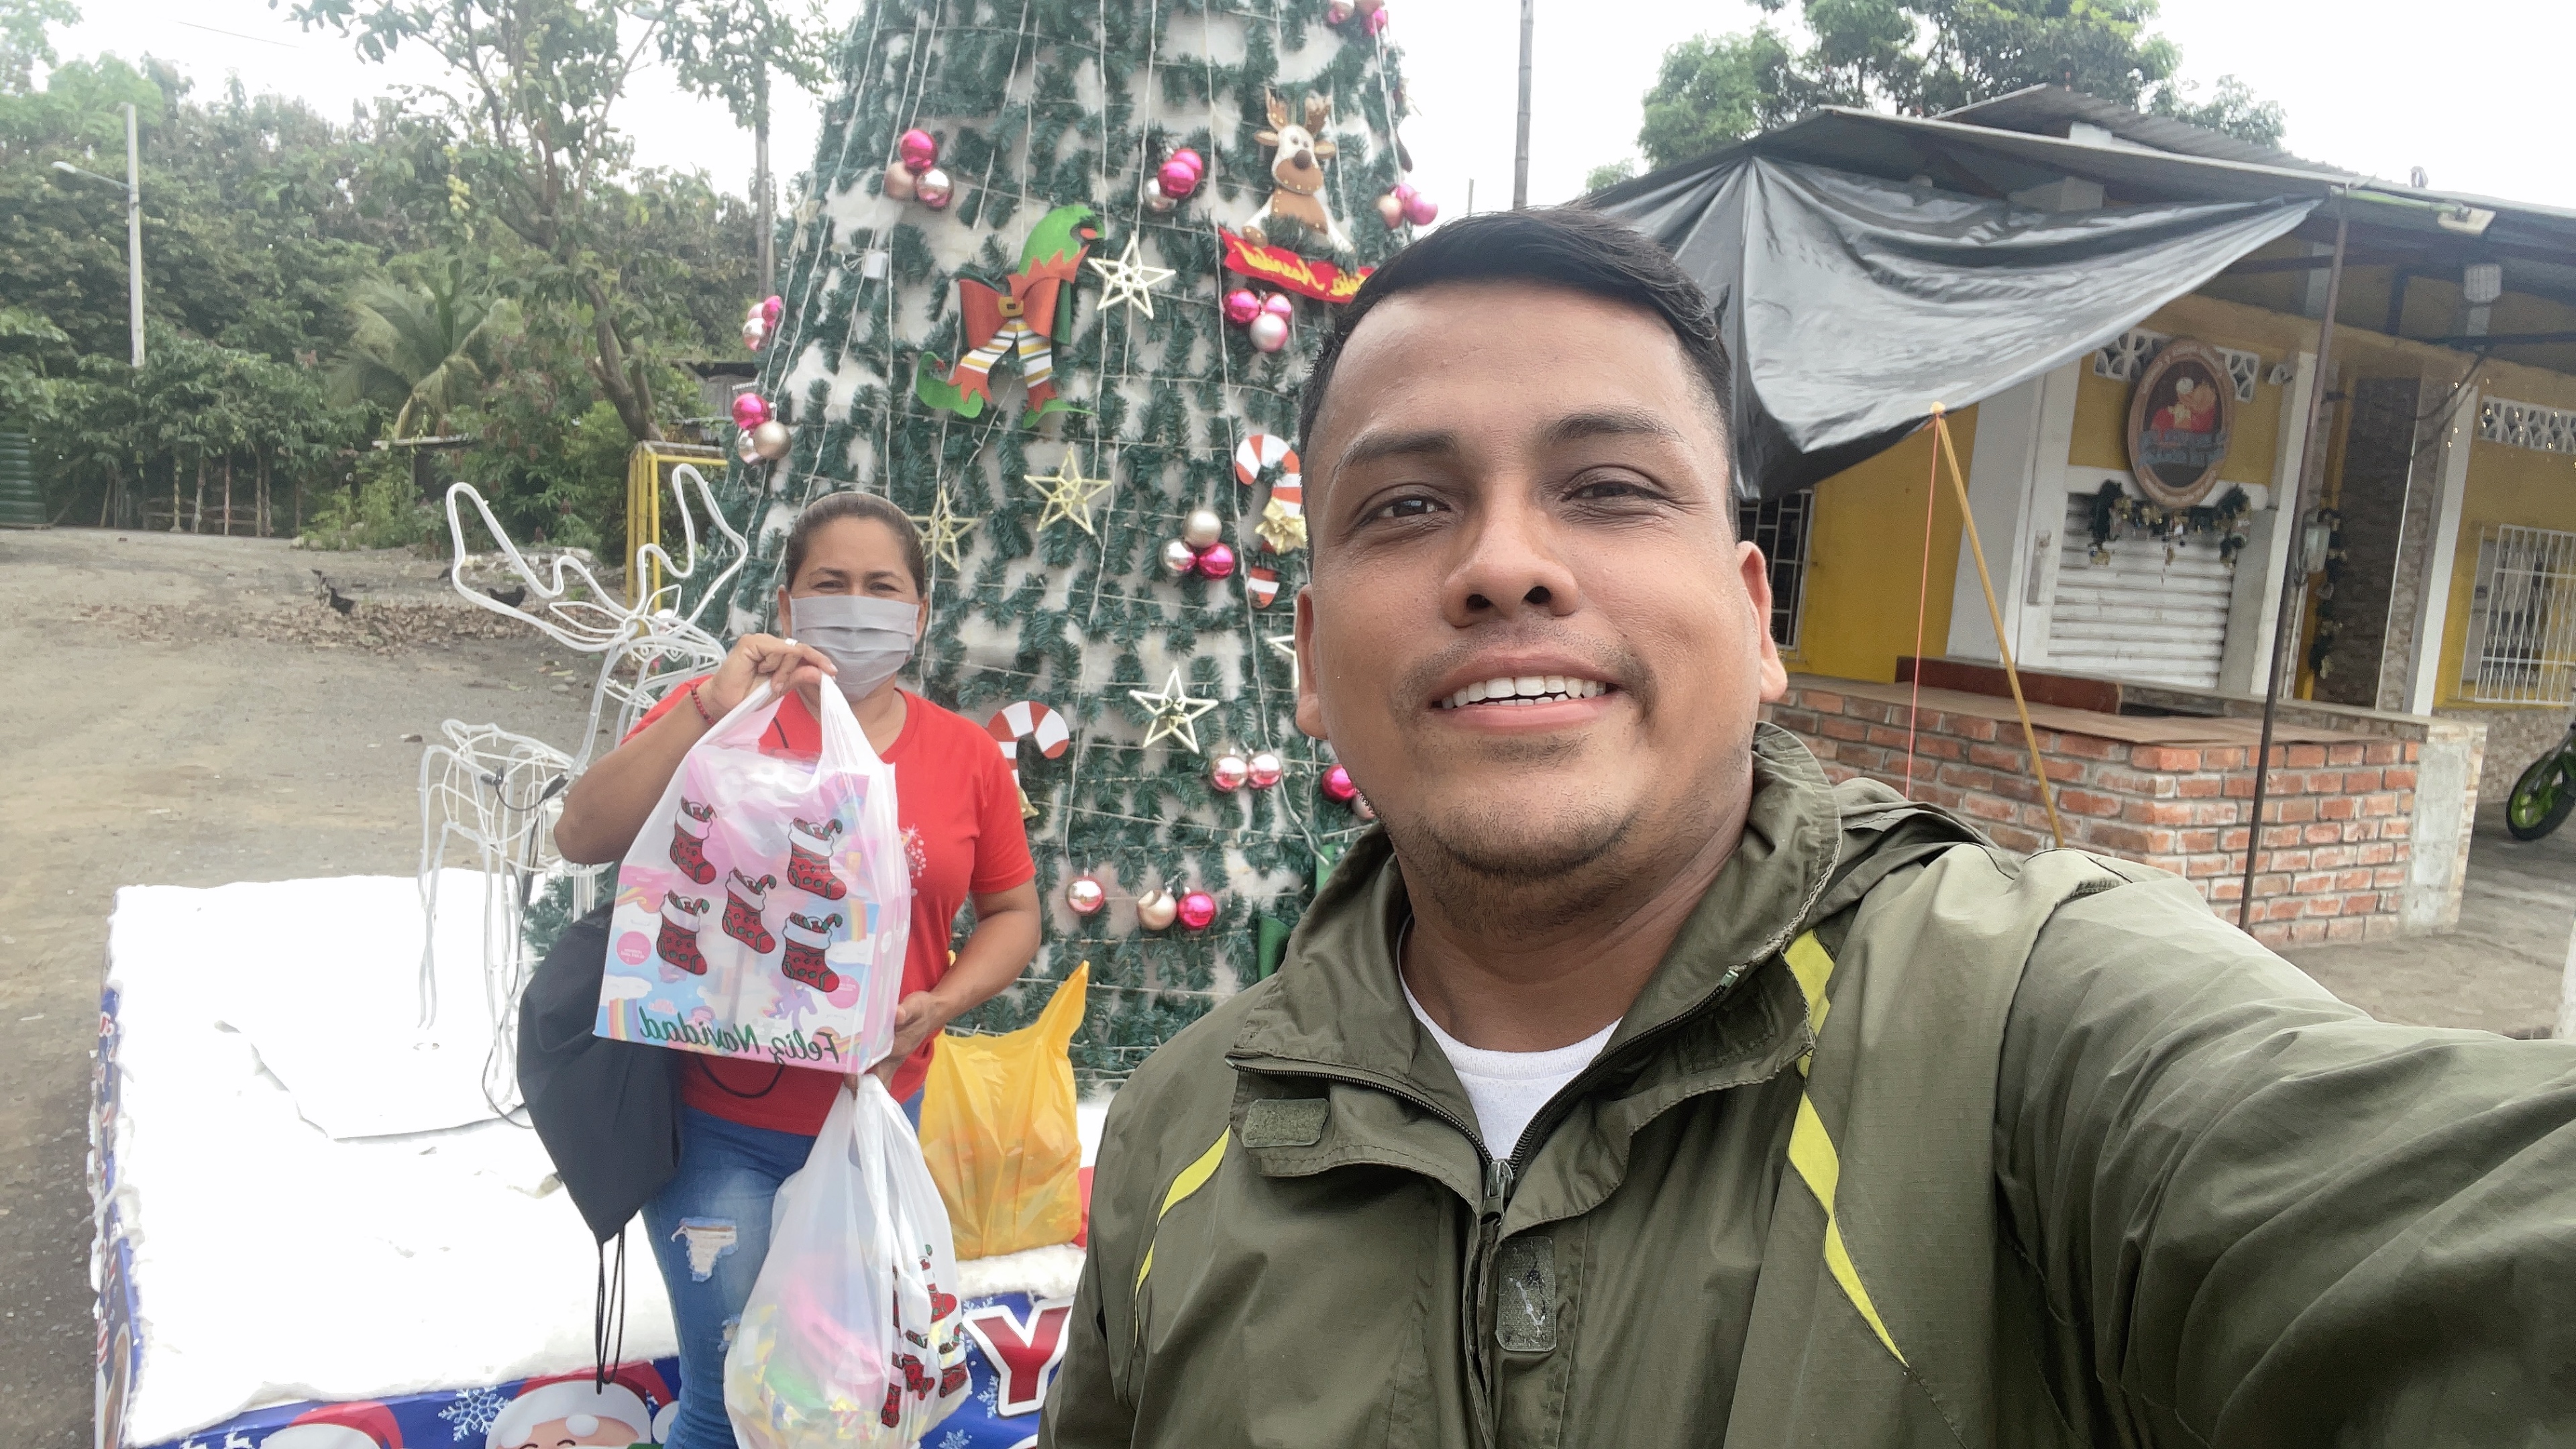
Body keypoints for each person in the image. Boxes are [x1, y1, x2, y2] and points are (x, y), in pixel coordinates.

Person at [1040, 207, 2576, 1447]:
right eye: (1405, 507)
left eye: (1610, 488)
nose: (1505, 562)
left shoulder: (2021, 1025)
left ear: (1753, 617)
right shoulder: (1182, 1130)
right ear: (1310, 660)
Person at [554, 491, 1042, 1449]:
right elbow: (582, 835)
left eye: (882, 587)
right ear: (787, 606)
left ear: (919, 614)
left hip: (874, 1133)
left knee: (848, 1397)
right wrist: (708, 704)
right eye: (831, 583)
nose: (856, 606)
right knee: (722, 1402)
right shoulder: (724, 724)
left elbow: (1015, 915)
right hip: (717, 1137)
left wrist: (943, 1001)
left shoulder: (965, 756)